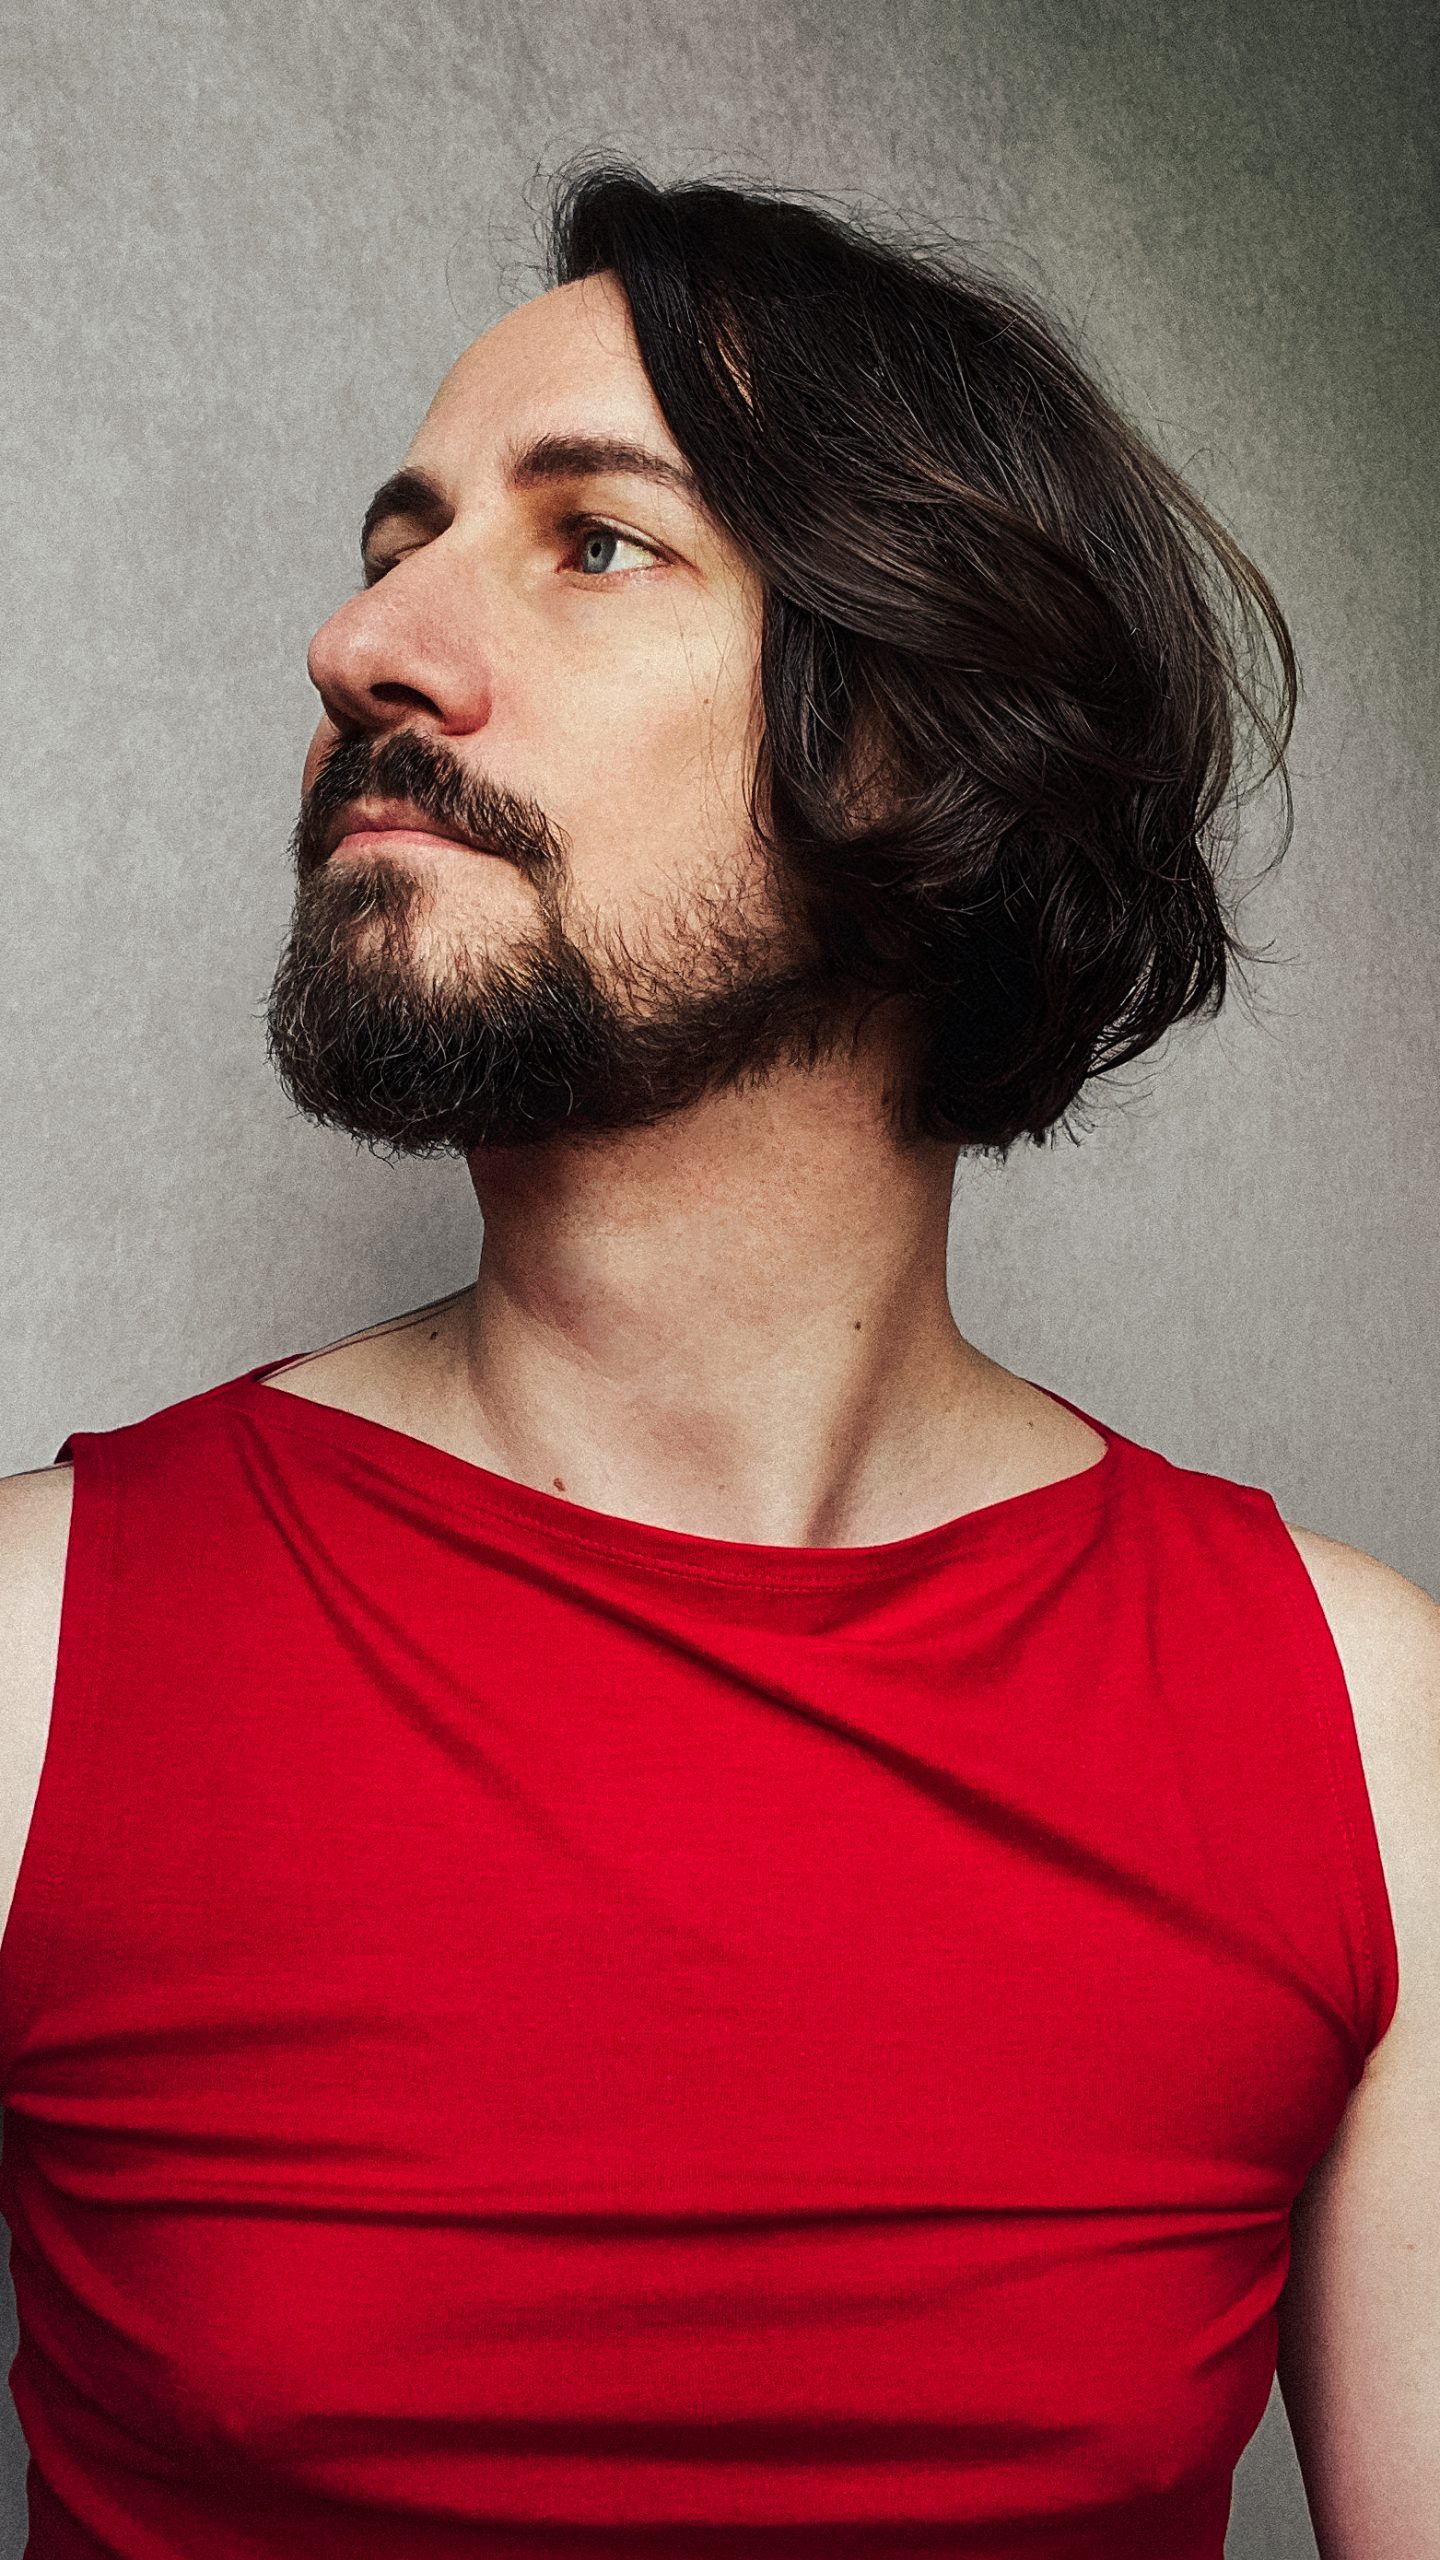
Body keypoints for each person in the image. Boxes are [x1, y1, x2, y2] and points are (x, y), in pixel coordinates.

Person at [0, 163, 1434, 2560]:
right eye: (401, 535)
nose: (368, 639)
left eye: (592, 545)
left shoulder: (1373, 1740)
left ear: (911, 739)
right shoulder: (34, 1658)